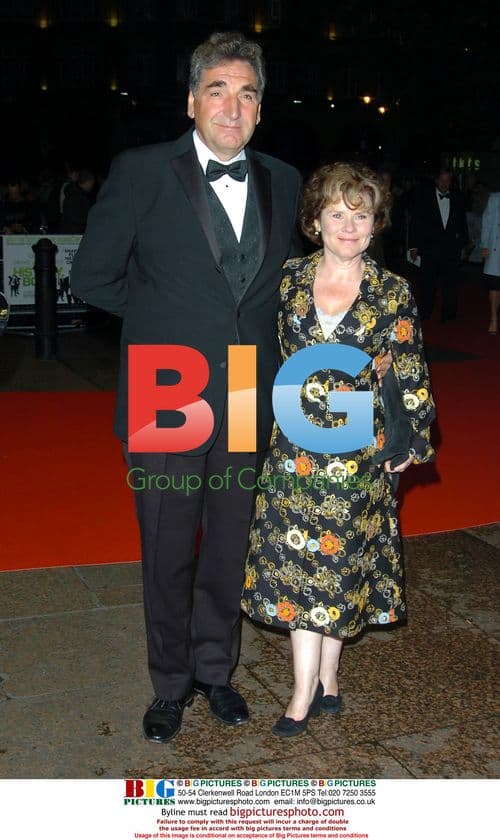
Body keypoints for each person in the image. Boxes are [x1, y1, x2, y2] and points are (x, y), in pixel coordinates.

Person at [70, 31, 304, 744]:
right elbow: (92, 277)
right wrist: (168, 327)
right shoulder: (141, 172)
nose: (232, 107)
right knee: (169, 545)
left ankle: (215, 672)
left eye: (247, 93)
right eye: (218, 90)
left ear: (260, 109)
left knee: (228, 544)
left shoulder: (284, 180)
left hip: (243, 391)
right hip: (166, 390)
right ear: (192, 101)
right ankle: (169, 684)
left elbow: (286, 290)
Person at [241, 162, 436, 737]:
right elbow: (254, 347)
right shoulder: (288, 278)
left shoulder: (391, 290)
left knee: (339, 563)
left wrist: (414, 438)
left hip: (357, 444)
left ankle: (328, 677)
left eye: (361, 216)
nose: (348, 227)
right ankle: (302, 692)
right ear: (315, 221)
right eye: (336, 214)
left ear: (376, 226)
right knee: (302, 564)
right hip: (294, 443)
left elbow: (410, 366)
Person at [409, 167, 468, 321]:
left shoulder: (458, 198)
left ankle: (449, 315)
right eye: (442, 180)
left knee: (450, 284)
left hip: (451, 248)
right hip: (429, 248)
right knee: (427, 284)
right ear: (436, 180)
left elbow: (462, 223)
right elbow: (415, 222)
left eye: (447, 180)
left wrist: (464, 245)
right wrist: (413, 246)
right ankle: (425, 313)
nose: (444, 183)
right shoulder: (424, 197)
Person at [480, 191, 500, 334]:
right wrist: (484, 244)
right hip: (496, 247)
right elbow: (486, 222)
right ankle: (494, 318)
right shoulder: (495, 199)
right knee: (495, 285)